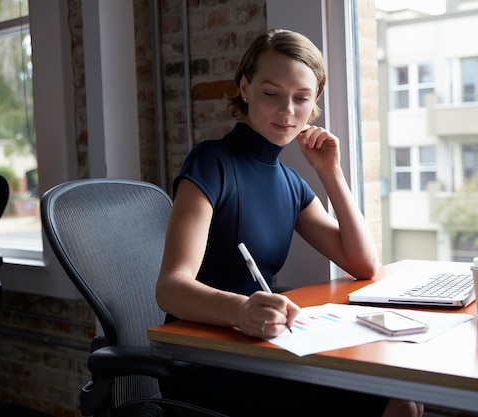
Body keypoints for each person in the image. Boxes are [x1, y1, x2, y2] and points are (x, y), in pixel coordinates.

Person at [155, 28, 424, 417]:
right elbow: (171, 289)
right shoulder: (211, 163)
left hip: (265, 345)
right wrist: (242, 310)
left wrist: (331, 173)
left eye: (301, 98)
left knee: (406, 393)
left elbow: (364, 264)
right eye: (271, 93)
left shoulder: (289, 182)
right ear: (245, 89)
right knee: (395, 403)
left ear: (314, 101)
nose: (287, 111)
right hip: (208, 357)